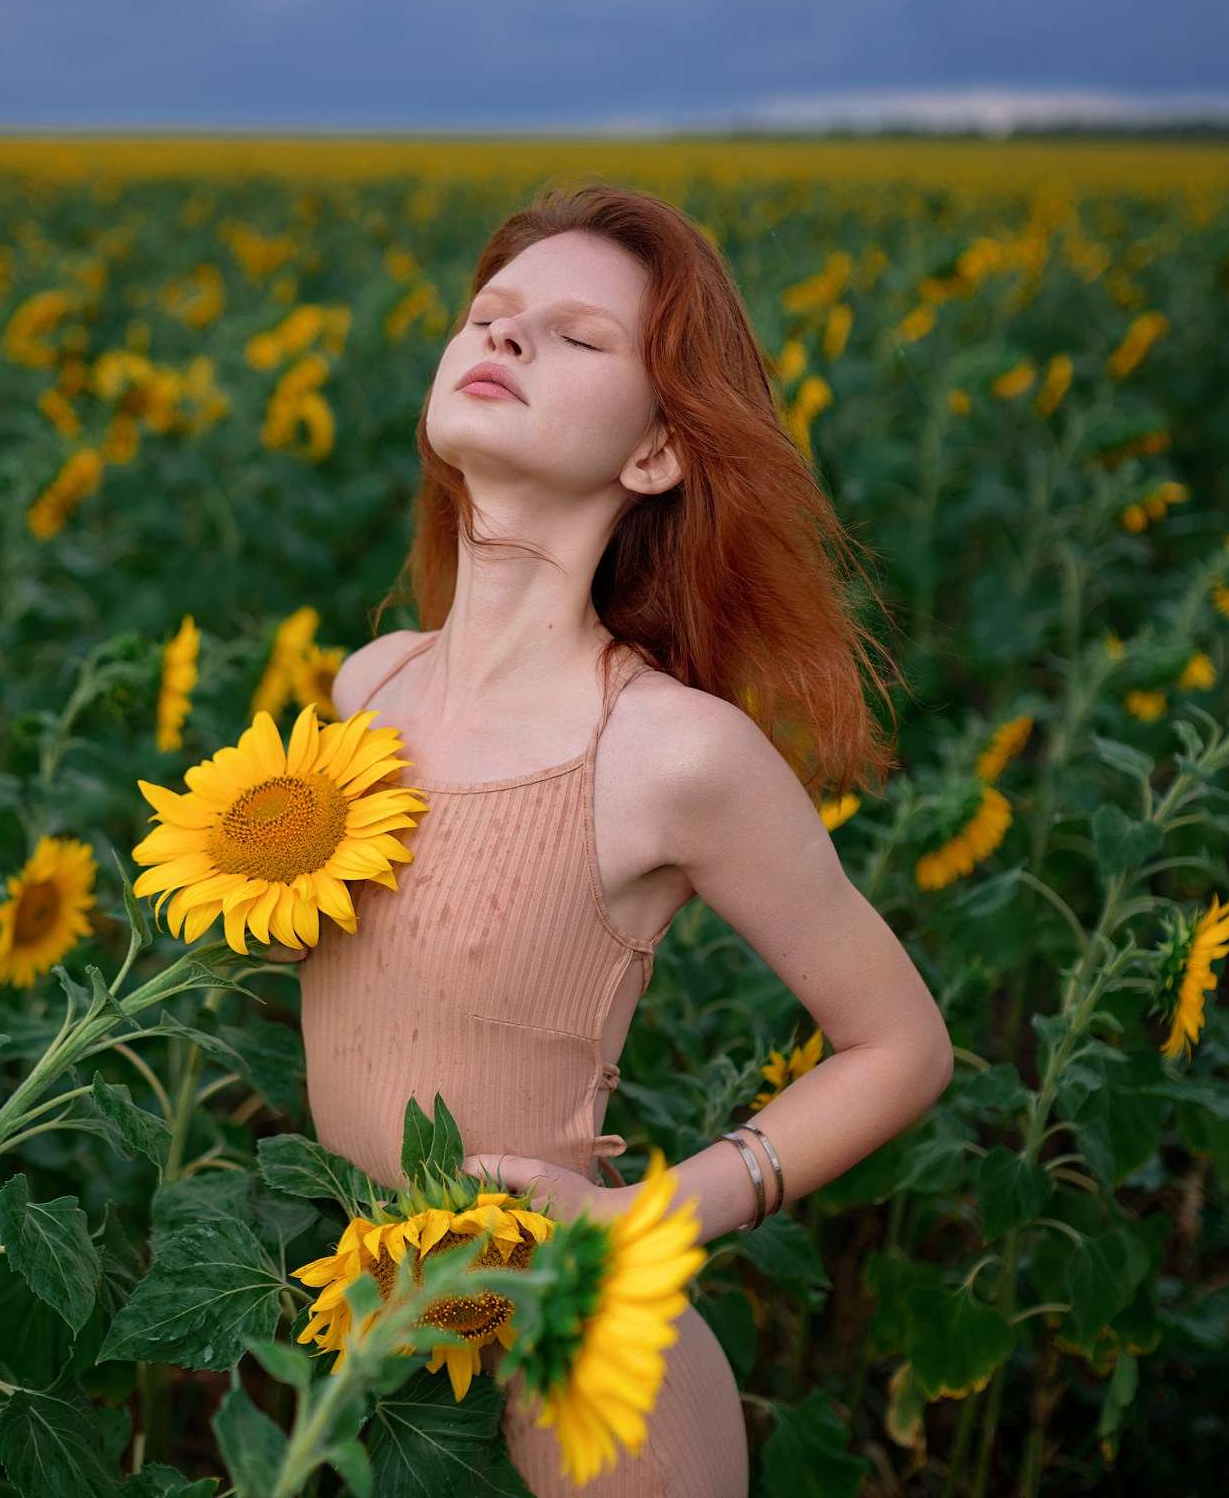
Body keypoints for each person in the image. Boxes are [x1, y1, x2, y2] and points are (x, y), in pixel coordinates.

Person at [274, 181, 953, 1496]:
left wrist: (662, 1218)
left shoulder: (669, 751)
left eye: (578, 339)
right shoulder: (368, 688)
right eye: (489, 315)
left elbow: (903, 1044)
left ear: (654, 452)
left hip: (576, 1373)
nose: (506, 339)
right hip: (373, 1350)